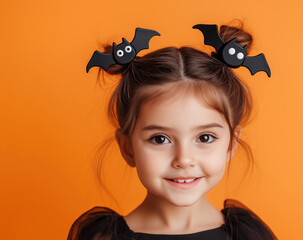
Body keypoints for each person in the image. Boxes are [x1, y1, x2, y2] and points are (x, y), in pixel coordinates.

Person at [67, 22, 277, 240]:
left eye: (205, 137)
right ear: (127, 147)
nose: (183, 160)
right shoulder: (104, 238)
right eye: (160, 139)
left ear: (231, 144)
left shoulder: (246, 236)